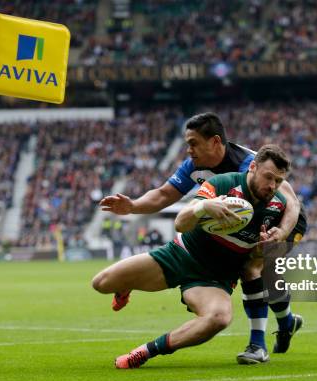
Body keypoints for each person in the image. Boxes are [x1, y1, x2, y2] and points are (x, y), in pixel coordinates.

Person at [100, 113, 306, 363]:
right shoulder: (197, 167)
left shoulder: (250, 164)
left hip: (285, 219)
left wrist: (282, 232)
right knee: (250, 265)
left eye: (194, 143)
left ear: (215, 142)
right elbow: (164, 195)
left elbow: (292, 203)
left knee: (254, 265)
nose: (189, 150)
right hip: (224, 230)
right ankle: (287, 322)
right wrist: (132, 206)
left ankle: (258, 344)